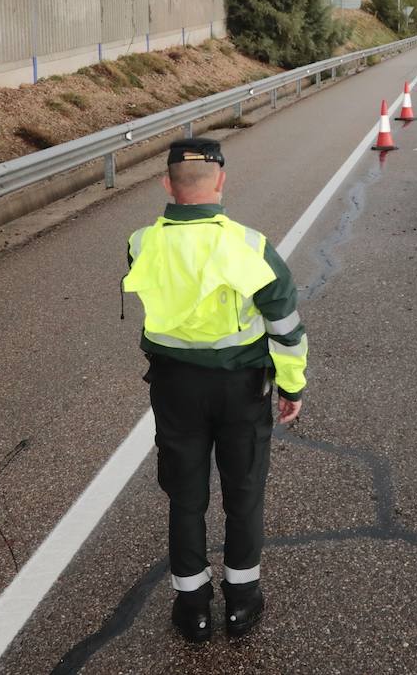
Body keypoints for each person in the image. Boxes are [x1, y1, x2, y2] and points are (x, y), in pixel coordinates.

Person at [123, 138, 307, 643]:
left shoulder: (141, 242)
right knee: (243, 491)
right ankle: (242, 601)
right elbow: (285, 325)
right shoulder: (249, 245)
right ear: (221, 181)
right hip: (241, 388)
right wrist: (291, 384)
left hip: (174, 386)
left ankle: (193, 607)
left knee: (185, 495)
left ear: (167, 184)